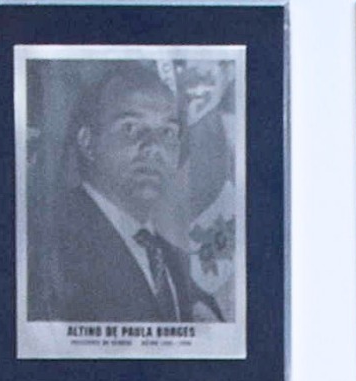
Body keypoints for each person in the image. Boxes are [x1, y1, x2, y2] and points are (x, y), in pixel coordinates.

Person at [28, 63, 225, 323]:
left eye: (168, 132)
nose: (153, 147)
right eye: (131, 128)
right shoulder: (46, 244)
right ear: (88, 142)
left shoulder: (174, 261)